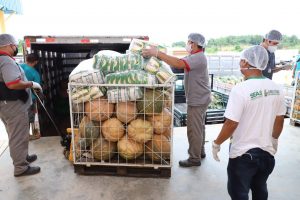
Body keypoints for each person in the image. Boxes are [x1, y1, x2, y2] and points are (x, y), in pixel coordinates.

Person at [212, 45, 286, 200]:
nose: (240, 64)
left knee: (239, 192)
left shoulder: (240, 89)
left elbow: (231, 123)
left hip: (243, 155)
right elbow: (279, 120)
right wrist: (274, 140)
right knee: (260, 189)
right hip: (267, 155)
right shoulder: (277, 88)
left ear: (245, 62)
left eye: (241, 60)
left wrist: (217, 143)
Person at [142, 33, 211, 167]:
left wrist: (157, 53)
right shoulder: (195, 57)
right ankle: (200, 152)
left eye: (189, 42)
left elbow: (179, 63)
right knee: (199, 127)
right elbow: (176, 63)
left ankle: (194, 158)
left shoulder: (198, 57)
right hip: (201, 97)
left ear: (195, 44)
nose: (188, 44)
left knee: (193, 129)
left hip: (198, 99)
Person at [0, 34, 42, 177]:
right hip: (13, 106)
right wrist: (31, 84)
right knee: (17, 135)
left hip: (7, 105)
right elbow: (12, 83)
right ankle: (21, 167)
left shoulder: (5, 60)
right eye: (13, 45)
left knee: (17, 134)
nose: (15, 47)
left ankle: (22, 156)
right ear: (7, 45)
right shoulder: (5, 60)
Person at [20, 53, 41, 140]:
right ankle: (32, 134)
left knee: (22, 117)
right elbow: (37, 89)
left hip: (18, 97)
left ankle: (26, 134)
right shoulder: (35, 73)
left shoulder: (19, 67)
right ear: (36, 62)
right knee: (31, 116)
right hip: (30, 98)